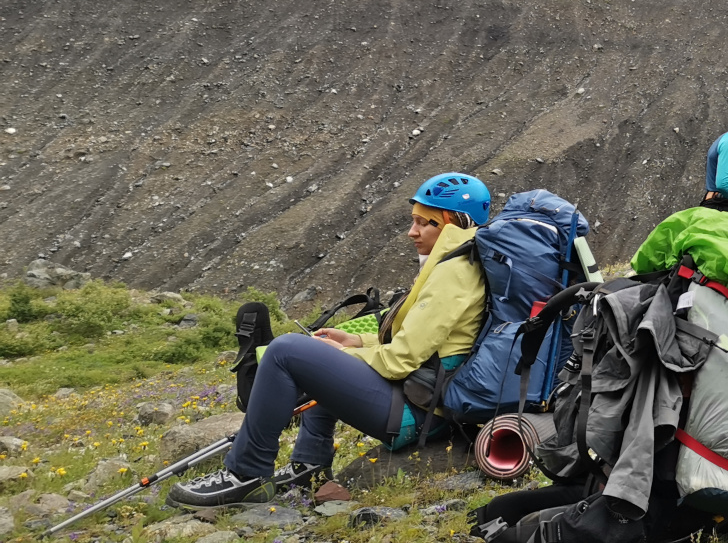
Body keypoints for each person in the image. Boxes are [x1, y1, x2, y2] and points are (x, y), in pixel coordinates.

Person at [167, 174, 492, 507]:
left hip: (419, 410)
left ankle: (246, 474)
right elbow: (424, 343)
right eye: (414, 221)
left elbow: (401, 360)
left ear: (452, 221)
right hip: (422, 397)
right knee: (320, 361)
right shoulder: (455, 261)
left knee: (284, 351)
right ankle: (309, 466)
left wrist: (340, 353)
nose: (412, 232)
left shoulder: (455, 271)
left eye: (424, 223)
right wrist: (354, 341)